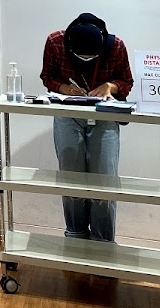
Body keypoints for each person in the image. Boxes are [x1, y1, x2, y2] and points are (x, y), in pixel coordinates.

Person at [40, 13, 134, 242]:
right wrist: (63, 88)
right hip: (68, 115)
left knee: (104, 180)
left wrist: (110, 86)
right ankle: (75, 236)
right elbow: (47, 76)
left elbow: (126, 81)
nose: (85, 60)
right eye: (80, 56)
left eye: (90, 57)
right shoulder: (55, 42)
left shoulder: (116, 46)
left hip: (105, 116)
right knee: (71, 179)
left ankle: (103, 241)